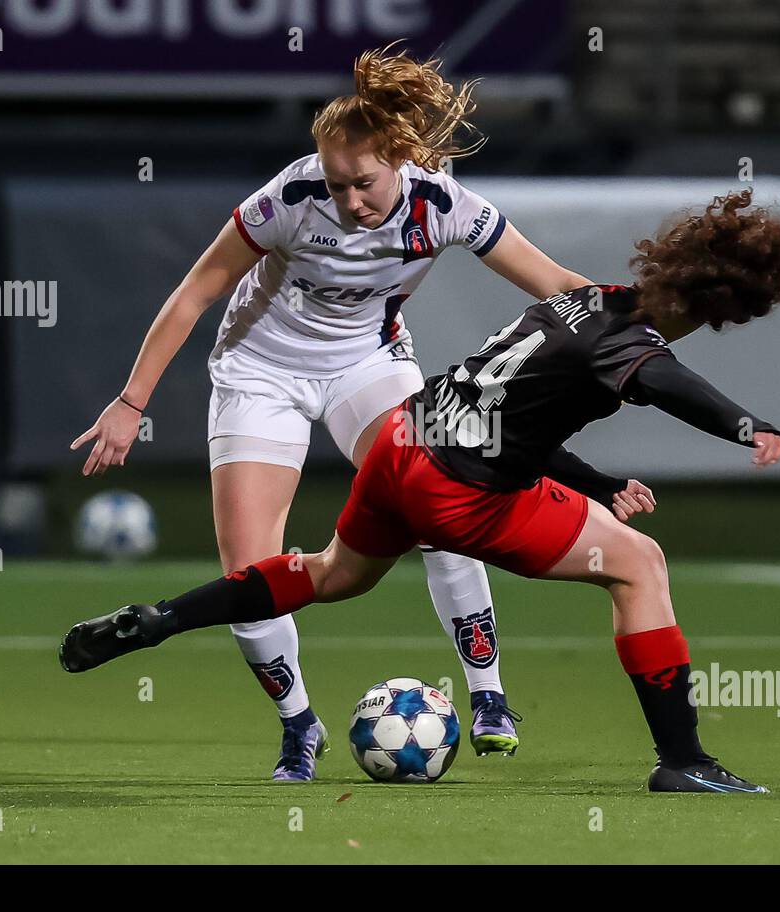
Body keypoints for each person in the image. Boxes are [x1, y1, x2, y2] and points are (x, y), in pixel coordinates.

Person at [61, 189, 780, 792]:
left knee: (330, 574)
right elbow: (671, 383)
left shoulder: (586, 300)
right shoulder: (632, 342)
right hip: (456, 493)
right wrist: (749, 427)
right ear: (729, 306)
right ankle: (682, 758)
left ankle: (162, 617)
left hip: (401, 443)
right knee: (639, 563)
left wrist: (600, 482)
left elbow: (517, 425)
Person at [69, 45, 598, 779]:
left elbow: (558, 285)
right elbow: (194, 293)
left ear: (402, 160)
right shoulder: (288, 199)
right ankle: (299, 726)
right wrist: (132, 402)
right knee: (248, 569)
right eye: (337, 183)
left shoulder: (446, 208)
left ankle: (488, 696)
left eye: (364, 183)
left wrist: (640, 319)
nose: (350, 200)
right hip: (260, 372)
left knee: (441, 498)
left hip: (367, 365)